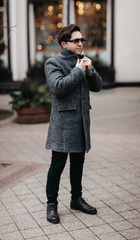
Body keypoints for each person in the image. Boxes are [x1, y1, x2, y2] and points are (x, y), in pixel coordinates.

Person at [44, 24, 102, 224]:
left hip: (81, 122)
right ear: (63, 43)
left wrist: (90, 69)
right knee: (57, 165)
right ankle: (51, 204)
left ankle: (76, 199)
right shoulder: (53, 63)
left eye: (81, 40)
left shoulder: (83, 61)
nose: (80, 43)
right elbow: (58, 88)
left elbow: (98, 86)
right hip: (62, 123)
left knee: (78, 163)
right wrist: (78, 71)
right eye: (75, 40)